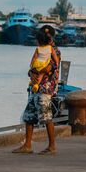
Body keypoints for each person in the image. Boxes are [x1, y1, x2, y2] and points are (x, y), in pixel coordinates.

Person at [13, 26, 61, 154]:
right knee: (29, 116)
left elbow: (50, 68)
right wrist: (31, 72)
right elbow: (33, 65)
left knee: (46, 116)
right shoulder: (40, 49)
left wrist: (36, 72)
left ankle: (52, 146)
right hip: (35, 87)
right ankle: (27, 145)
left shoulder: (54, 50)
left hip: (45, 88)